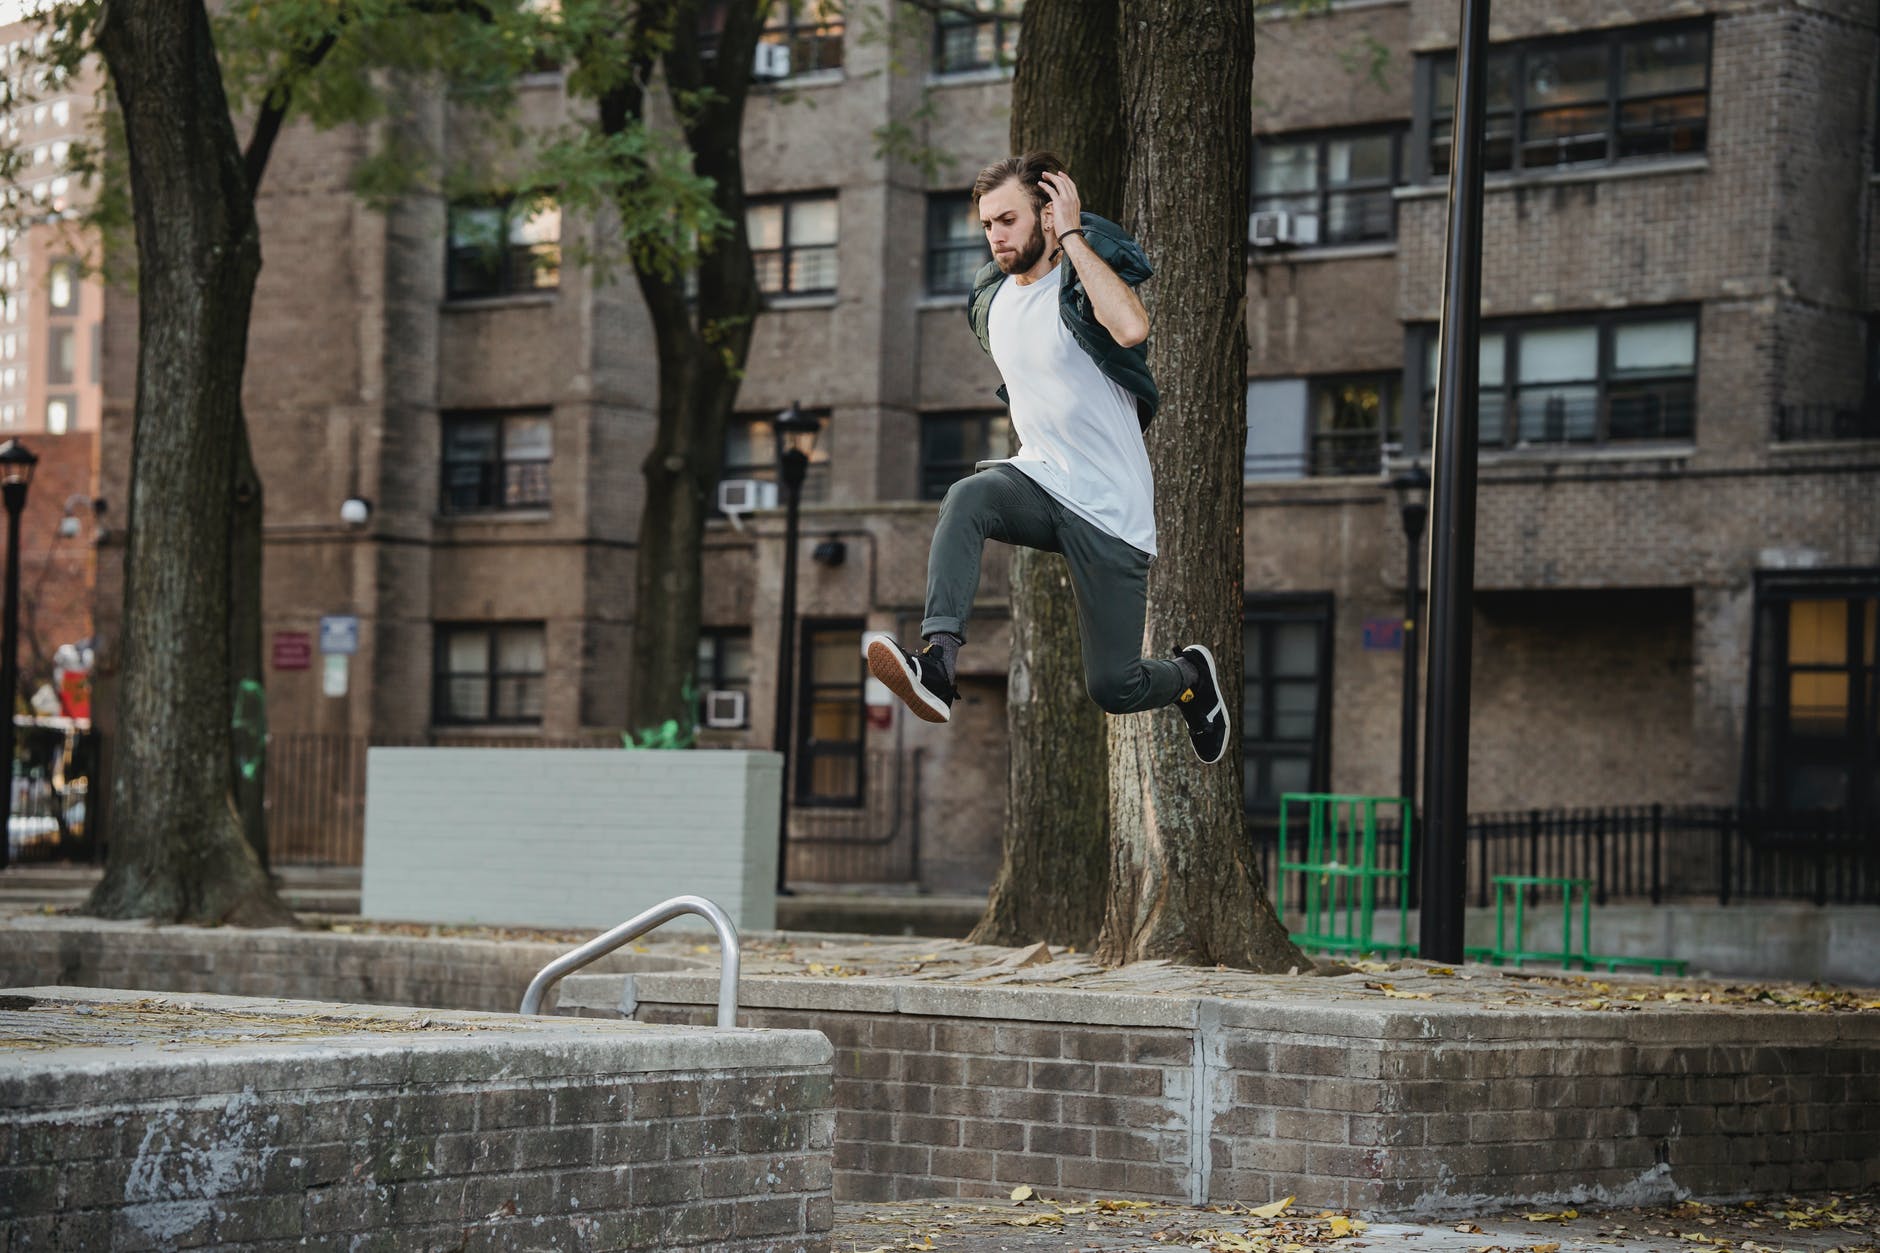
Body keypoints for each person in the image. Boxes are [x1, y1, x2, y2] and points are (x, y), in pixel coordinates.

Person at [864, 151, 1229, 765]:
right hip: (1041, 482)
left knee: (1113, 686)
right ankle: (939, 664)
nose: (995, 236)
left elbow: (1132, 329)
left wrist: (1075, 237)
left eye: (1008, 220)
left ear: (1047, 212)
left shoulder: (1080, 281)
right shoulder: (991, 298)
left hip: (1110, 507)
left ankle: (1189, 676)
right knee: (968, 496)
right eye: (986, 225)